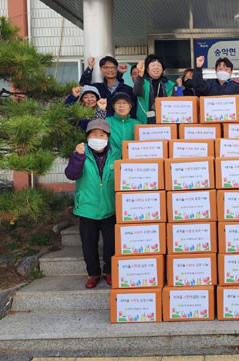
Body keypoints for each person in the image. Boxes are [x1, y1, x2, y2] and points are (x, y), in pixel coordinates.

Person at [64, 119, 120, 289]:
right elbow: (71, 174)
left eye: (101, 135)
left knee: (111, 244)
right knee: (89, 245)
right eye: (94, 134)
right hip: (87, 208)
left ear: (107, 137)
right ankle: (93, 274)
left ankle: (109, 271)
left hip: (110, 207)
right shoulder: (80, 154)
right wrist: (78, 157)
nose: (98, 138)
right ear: (87, 137)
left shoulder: (116, 154)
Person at [133, 55, 177, 124]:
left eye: (159, 65)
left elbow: (174, 103)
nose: (156, 67)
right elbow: (137, 92)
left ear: (162, 69)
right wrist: (140, 74)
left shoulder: (170, 84)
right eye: (153, 65)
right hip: (145, 121)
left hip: (165, 121)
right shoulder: (142, 82)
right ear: (147, 69)